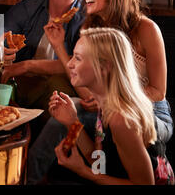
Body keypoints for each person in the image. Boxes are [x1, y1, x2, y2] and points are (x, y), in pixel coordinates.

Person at [28, 0, 173, 184]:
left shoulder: (146, 29)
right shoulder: (90, 27)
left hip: (151, 110)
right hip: (110, 103)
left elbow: (158, 91)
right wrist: (73, 122)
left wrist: (113, 97)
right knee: (68, 117)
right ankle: (29, 177)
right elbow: (98, 158)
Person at [51, 27, 173, 184]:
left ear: (104, 67)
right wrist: (72, 122)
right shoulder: (106, 102)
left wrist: (83, 171)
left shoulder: (121, 119)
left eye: (78, 58)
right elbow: (99, 162)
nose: (69, 65)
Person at [1, 0, 94, 129]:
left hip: (57, 87)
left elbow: (81, 66)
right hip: (19, 84)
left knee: (59, 87)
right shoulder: (28, 8)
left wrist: (27, 65)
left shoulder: (87, 17)